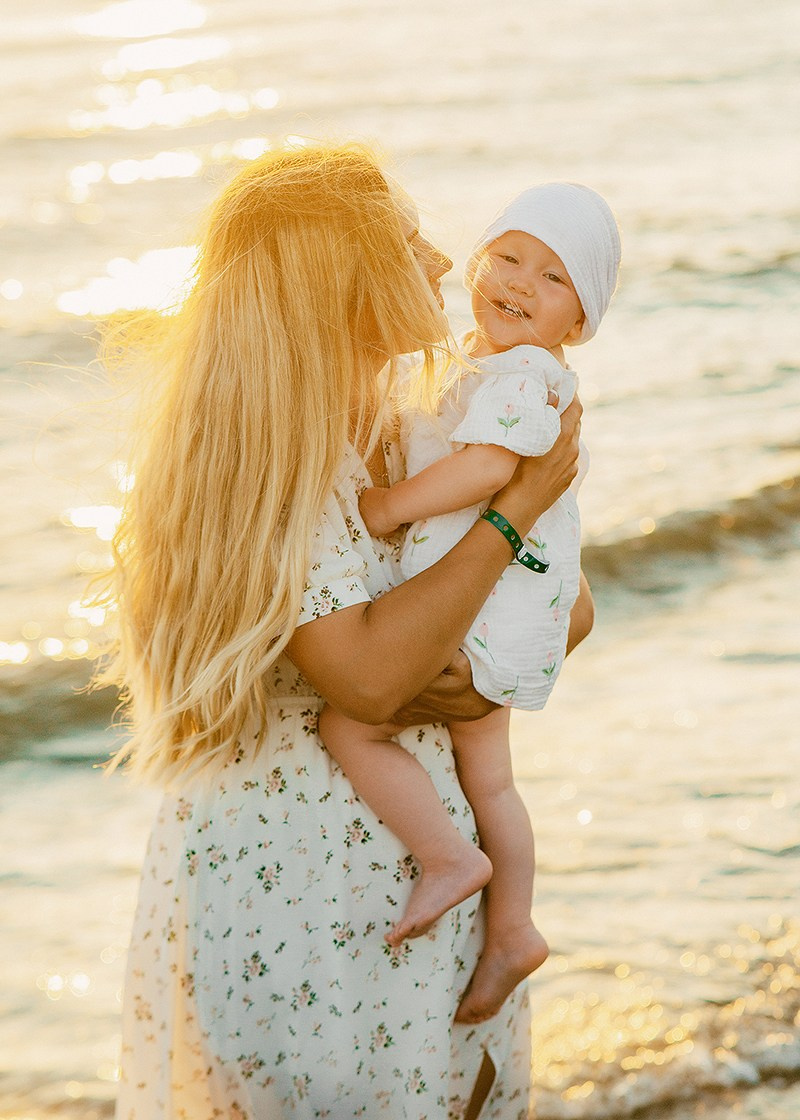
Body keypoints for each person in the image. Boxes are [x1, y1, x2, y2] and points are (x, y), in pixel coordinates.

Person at [102, 143, 586, 1120]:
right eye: (407, 243)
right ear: (339, 279)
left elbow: (568, 607)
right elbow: (367, 679)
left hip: (421, 878)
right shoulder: (267, 458)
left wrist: (471, 657)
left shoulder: (411, 426)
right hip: (302, 894)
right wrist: (513, 512)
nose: (442, 261)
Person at [319, 182, 620, 1024]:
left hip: (479, 617)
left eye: (553, 277)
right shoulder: (488, 365)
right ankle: (512, 928)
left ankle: (448, 858)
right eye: (509, 257)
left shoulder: (522, 376)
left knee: (350, 728)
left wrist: (389, 506)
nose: (520, 282)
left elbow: (489, 468)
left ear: (579, 322)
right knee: (494, 782)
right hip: (507, 609)